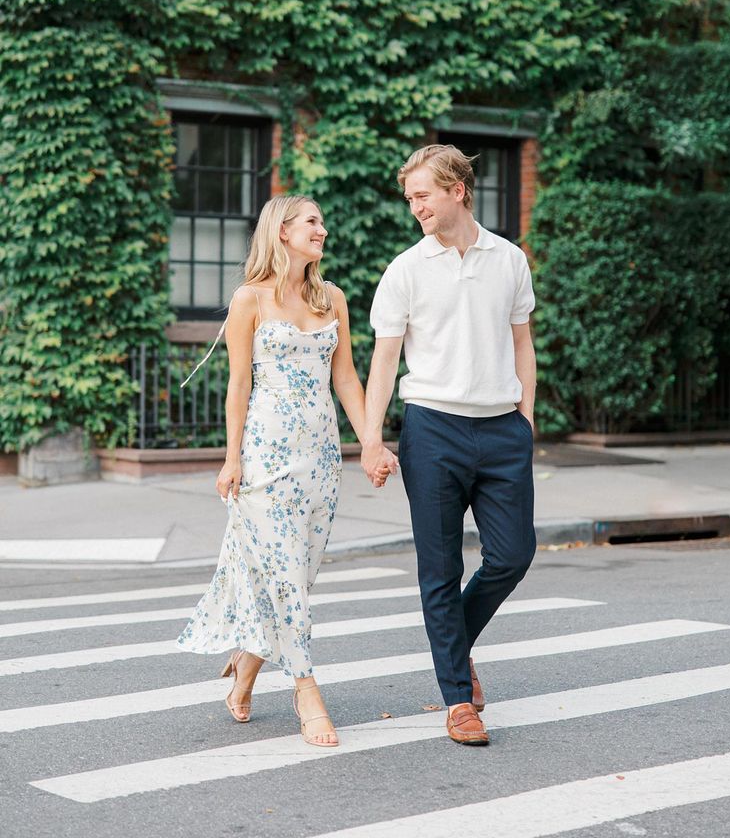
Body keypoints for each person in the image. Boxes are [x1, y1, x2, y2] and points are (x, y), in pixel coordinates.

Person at [178, 194, 396, 747]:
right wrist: (231, 459)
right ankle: (307, 692)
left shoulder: (334, 300)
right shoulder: (249, 299)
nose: (322, 229)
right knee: (287, 580)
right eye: (312, 222)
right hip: (266, 460)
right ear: (282, 232)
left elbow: (346, 379)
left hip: (320, 461)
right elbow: (238, 386)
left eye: (322, 220)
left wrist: (370, 441)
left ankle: (244, 672)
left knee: (292, 578)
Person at [361, 145, 537, 746]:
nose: (415, 208)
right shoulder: (405, 270)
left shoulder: (509, 259)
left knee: (513, 556)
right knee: (439, 569)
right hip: (431, 428)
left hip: (501, 428)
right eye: (409, 198)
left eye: (423, 195)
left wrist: (527, 420)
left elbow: (522, 343)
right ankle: (458, 700)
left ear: (457, 190)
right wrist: (370, 438)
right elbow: (383, 363)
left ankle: (452, 646)